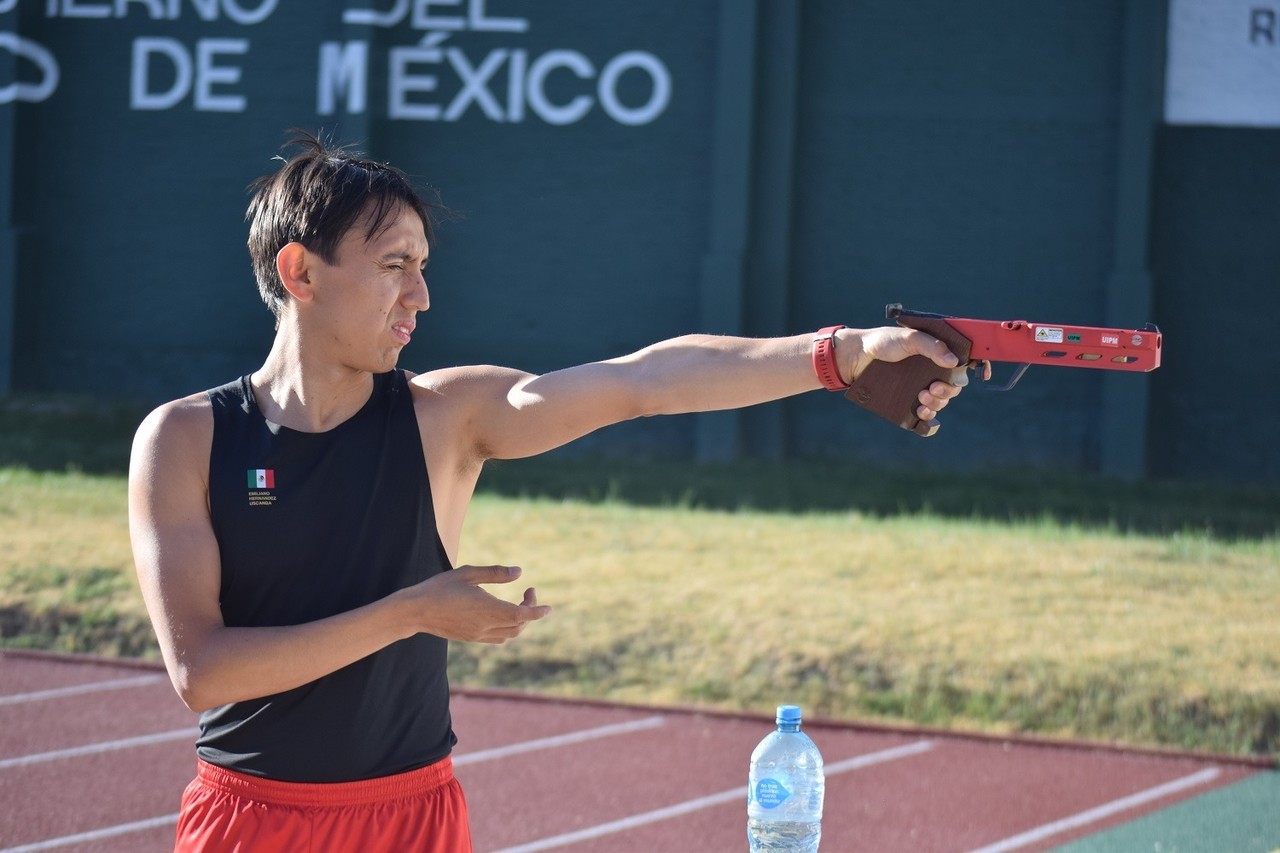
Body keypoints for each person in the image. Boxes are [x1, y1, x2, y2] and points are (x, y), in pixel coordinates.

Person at [128, 130, 970, 852]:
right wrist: (413, 611)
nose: (421, 295)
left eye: (423, 267)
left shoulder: (445, 418)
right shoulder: (186, 439)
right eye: (394, 266)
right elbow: (203, 672)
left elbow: (646, 380)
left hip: (412, 815)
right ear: (300, 272)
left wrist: (844, 352)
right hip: (251, 819)